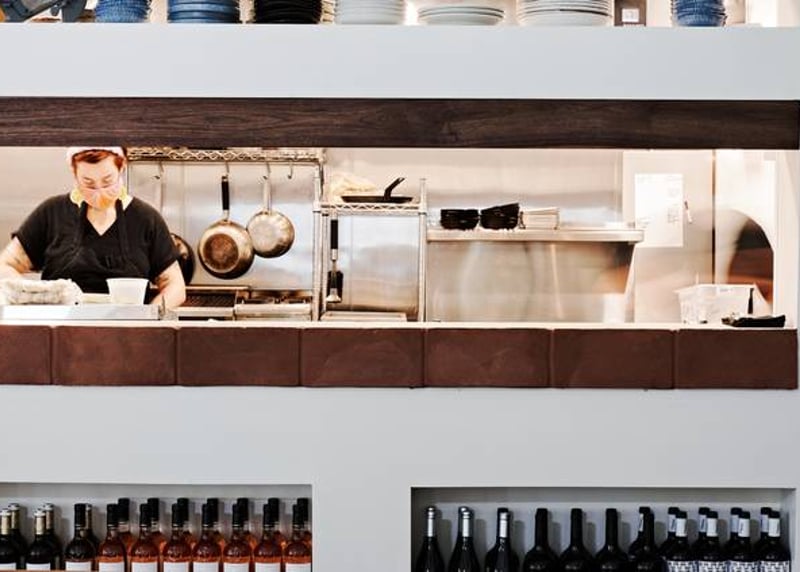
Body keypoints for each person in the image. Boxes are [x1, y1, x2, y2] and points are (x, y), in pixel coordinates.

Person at [0, 146, 186, 309]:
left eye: (107, 181)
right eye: (88, 184)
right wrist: (34, 298)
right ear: (74, 173)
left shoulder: (146, 218)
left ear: (121, 167)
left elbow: (175, 287)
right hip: (59, 333)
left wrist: (148, 318)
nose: (99, 193)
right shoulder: (51, 212)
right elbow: (5, 265)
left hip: (128, 334)